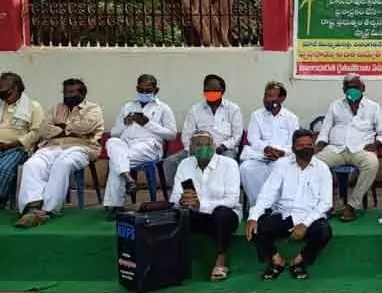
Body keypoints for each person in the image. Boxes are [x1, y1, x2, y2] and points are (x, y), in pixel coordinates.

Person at [16, 78, 104, 227]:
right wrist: (67, 129)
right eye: (65, 92)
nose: (67, 95)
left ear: (82, 93)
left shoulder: (93, 109)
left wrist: (62, 128)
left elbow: (85, 127)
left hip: (82, 147)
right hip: (52, 146)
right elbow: (44, 129)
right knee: (32, 164)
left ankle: (47, 210)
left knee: (63, 164)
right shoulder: (57, 108)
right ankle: (32, 205)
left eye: (71, 92)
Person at [246, 129, 333, 280]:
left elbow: (326, 203)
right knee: (255, 227)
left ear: (314, 146)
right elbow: (268, 193)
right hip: (285, 215)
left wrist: (305, 224)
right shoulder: (282, 165)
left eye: (309, 144)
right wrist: (254, 216)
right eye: (301, 145)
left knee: (324, 231)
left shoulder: (322, 169)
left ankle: (299, 261)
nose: (306, 148)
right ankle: (276, 261)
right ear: (293, 148)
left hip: (310, 217)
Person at [315, 73, 382, 222]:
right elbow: (325, 129)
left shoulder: (374, 107)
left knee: (372, 163)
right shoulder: (335, 105)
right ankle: (324, 204)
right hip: (336, 149)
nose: (352, 90)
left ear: (363, 88)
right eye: (348, 87)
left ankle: (352, 205)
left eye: (355, 87)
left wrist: (377, 144)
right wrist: (320, 144)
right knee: (314, 163)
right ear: (343, 89)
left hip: (361, 150)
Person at [102, 74, 178, 219]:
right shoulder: (128, 106)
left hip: (149, 146)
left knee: (116, 161)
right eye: (141, 90)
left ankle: (115, 205)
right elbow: (114, 133)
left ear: (156, 90)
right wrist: (125, 123)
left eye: (148, 91)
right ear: (137, 89)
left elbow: (171, 135)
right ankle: (128, 179)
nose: (144, 93)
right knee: (112, 143)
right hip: (125, 144)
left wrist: (148, 123)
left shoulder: (163, 108)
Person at [170, 130, 241, 281]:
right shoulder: (185, 164)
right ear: (191, 148)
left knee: (221, 213)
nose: (203, 148)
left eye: (207, 144)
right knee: (175, 214)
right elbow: (175, 197)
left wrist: (200, 205)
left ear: (214, 146)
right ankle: (174, 264)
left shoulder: (229, 164)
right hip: (196, 216)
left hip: (224, 217)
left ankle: (221, 259)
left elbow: (232, 200)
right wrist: (183, 201)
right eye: (198, 145)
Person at [163, 74, 242, 188]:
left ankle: (224, 195)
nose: (210, 93)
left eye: (214, 90)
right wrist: (195, 150)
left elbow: (237, 136)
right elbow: (186, 135)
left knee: (229, 162)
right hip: (198, 149)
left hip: (224, 150)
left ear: (222, 91)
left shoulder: (233, 109)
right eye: (207, 90)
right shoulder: (195, 110)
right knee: (170, 162)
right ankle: (181, 195)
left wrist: (222, 147)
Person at [239, 81, 300, 207]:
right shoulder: (256, 115)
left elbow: (294, 144)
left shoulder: (291, 118)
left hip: (282, 157)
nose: (267, 99)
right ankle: (258, 206)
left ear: (282, 98)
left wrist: (281, 153)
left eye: (271, 96)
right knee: (246, 168)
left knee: (279, 169)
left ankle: (275, 206)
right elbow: (253, 138)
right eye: (266, 95)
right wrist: (266, 148)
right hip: (260, 155)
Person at [0, 72, 44, 206]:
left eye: (5, 93)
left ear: (16, 88)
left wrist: (11, 144)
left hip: (17, 148)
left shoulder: (33, 106)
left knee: (4, 169)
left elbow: (36, 132)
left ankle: (1, 199)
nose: (2, 96)